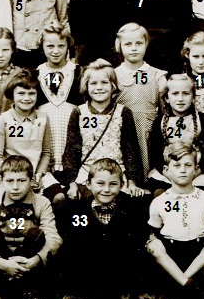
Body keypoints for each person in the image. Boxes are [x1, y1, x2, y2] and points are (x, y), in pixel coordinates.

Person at [0, 155, 62, 299]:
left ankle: (10, 295)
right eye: (10, 181)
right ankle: (19, 295)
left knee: (36, 234)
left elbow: (53, 237)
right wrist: (1, 262)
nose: (15, 187)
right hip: (1, 262)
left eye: (21, 181)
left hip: (29, 261)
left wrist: (35, 260)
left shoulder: (42, 202)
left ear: (31, 180)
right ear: (1, 181)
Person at [57, 158, 148, 299]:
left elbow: (137, 242)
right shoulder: (78, 211)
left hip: (118, 268)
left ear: (122, 185)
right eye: (100, 183)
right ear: (88, 184)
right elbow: (71, 244)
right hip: (90, 270)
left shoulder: (130, 209)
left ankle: (119, 296)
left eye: (113, 184)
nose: (106, 189)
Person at [146, 143, 204, 299]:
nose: (182, 170)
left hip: (197, 253)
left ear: (196, 169)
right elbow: (153, 232)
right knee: (153, 246)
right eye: (176, 165)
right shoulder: (160, 201)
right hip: (172, 253)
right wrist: (152, 239)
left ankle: (177, 286)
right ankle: (197, 293)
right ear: (166, 170)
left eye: (188, 165)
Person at [57, 59, 145, 203]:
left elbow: (131, 150)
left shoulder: (123, 112)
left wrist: (132, 182)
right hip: (87, 175)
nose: (99, 88)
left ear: (113, 85)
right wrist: (72, 183)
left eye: (104, 83)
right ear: (86, 86)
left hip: (116, 175)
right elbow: (71, 152)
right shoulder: (79, 112)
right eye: (93, 83)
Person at [114, 22, 167, 176]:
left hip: (148, 128)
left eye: (139, 43)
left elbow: (165, 109)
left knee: (148, 168)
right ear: (119, 46)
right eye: (128, 44)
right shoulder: (113, 75)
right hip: (123, 129)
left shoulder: (157, 75)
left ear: (146, 44)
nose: (134, 48)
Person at [147, 74, 204, 196]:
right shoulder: (160, 122)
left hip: (194, 170)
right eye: (175, 94)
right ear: (166, 98)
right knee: (160, 194)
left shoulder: (201, 120)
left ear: (193, 97)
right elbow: (155, 153)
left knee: (197, 195)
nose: (180, 98)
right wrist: (167, 173)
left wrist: (196, 172)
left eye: (186, 94)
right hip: (167, 172)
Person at [0, 69, 55, 192]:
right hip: (9, 176)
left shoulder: (43, 118)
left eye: (31, 93)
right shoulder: (3, 120)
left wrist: (38, 175)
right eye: (21, 93)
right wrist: (17, 178)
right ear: (12, 95)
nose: (26, 98)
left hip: (36, 174)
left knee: (58, 197)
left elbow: (46, 152)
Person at [36, 21, 84, 173]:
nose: (56, 51)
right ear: (42, 46)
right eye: (50, 46)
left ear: (68, 46)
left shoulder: (79, 73)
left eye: (61, 46)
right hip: (46, 137)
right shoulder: (35, 74)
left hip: (72, 135)